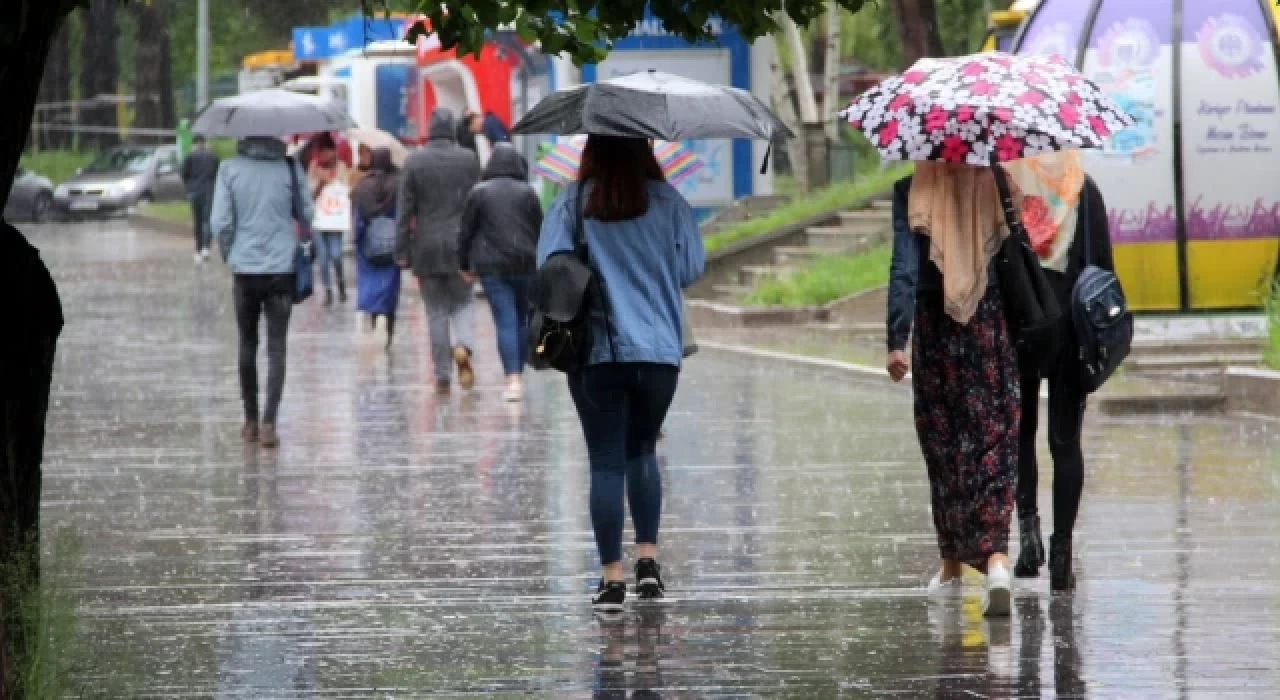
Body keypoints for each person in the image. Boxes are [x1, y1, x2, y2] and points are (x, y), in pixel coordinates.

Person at [537, 135, 705, 610]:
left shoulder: (572, 201)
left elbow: (548, 269)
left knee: (606, 461)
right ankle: (648, 564)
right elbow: (691, 267)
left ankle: (611, 579)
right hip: (658, 352)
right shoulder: (669, 200)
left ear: (590, 149)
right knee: (642, 451)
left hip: (596, 351)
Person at [885, 161, 1021, 617]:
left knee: (944, 446)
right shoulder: (997, 182)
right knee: (995, 441)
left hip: (935, 332)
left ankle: (952, 568)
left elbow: (903, 268)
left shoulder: (912, 189)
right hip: (989, 328)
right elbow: (1017, 254)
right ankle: (998, 561)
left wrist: (895, 340)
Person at [1004, 153, 1114, 591]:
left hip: (1021, 325)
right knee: (1065, 442)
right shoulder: (1083, 189)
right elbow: (1103, 268)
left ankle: (1029, 540)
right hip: (1070, 328)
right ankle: (1062, 553)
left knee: (1020, 435)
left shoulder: (1008, 188)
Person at [210, 137, 313, 449]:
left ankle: (250, 420)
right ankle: (270, 422)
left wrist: (232, 253)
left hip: (246, 270)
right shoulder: (290, 168)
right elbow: (307, 214)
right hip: (282, 269)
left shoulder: (229, 169)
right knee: (277, 348)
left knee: (247, 343)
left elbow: (220, 222)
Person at [397, 109, 483, 393]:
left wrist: (402, 251)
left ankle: (443, 376)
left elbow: (404, 211)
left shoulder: (414, 162)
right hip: (462, 246)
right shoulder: (468, 159)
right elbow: (476, 204)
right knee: (463, 302)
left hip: (427, 247)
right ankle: (464, 346)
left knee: (436, 312)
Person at [458, 143, 543, 402]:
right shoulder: (528, 193)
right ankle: (520, 371)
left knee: (505, 320)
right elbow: (540, 228)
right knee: (522, 320)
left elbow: (466, 231)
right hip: (526, 263)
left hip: (492, 266)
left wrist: (464, 264)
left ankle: (513, 379)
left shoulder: (479, 192)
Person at [352, 147, 403, 349]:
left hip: (368, 245)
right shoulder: (398, 184)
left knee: (370, 284)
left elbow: (358, 220)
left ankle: (374, 319)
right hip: (392, 244)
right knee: (389, 286)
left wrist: (358, 239)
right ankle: (388, 325)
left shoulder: (362, 186)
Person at [307, 133, 349, 306]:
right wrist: (320, 182)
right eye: (322, 151)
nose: (325, 155)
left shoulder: (341, 167)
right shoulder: (313, 167)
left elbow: (345, 190)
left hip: (335, 220)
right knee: (323, 257)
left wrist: (333, 180)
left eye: (328, 151)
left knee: (336, 255)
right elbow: (309, 194)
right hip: (319, 219)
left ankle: (340, 282)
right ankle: (328, 289)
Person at [181, 134, 221, 263]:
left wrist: (189, 186)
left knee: (197, 221)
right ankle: (206, 248)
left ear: (194, 143)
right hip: (209, 191)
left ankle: (198, 249)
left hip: (194, 191)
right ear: (205, 142)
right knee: (207, 220)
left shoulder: (190, 156)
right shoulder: (213, 156)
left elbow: (183, 173)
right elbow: (218, 173)